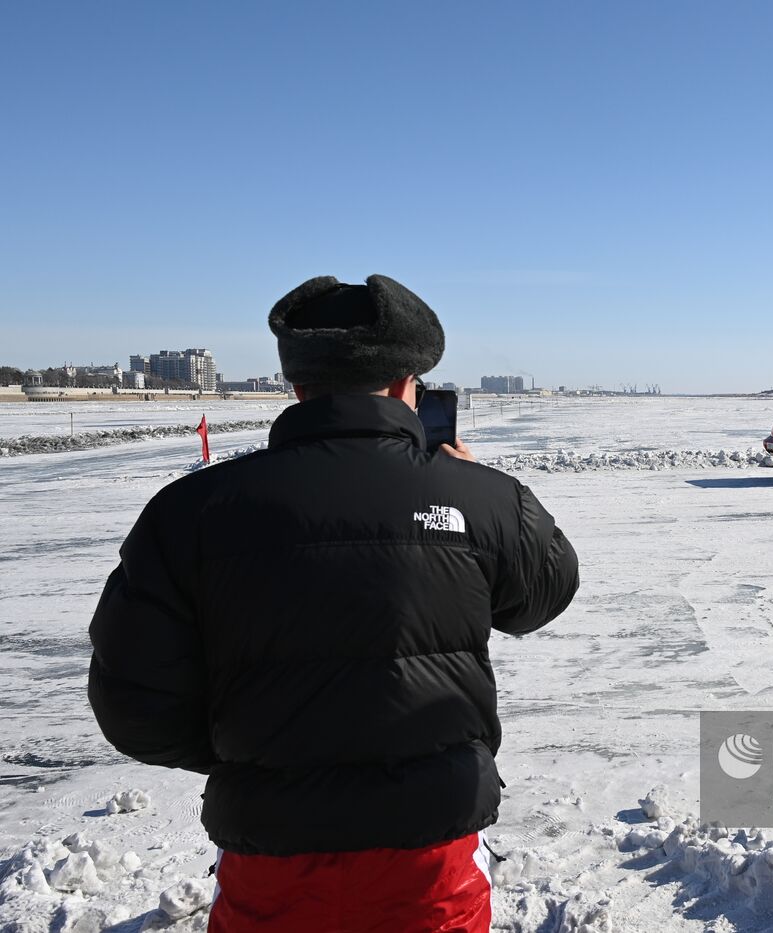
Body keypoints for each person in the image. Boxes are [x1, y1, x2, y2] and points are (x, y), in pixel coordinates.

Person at [88, 274, 579, 932]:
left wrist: (263, 749)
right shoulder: (477, 498)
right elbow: (548, 589)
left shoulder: (188, 514)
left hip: (271, 868)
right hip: (430, 867)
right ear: (409, 385)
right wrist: (477, 486)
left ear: (297, 386)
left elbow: (132, 707)